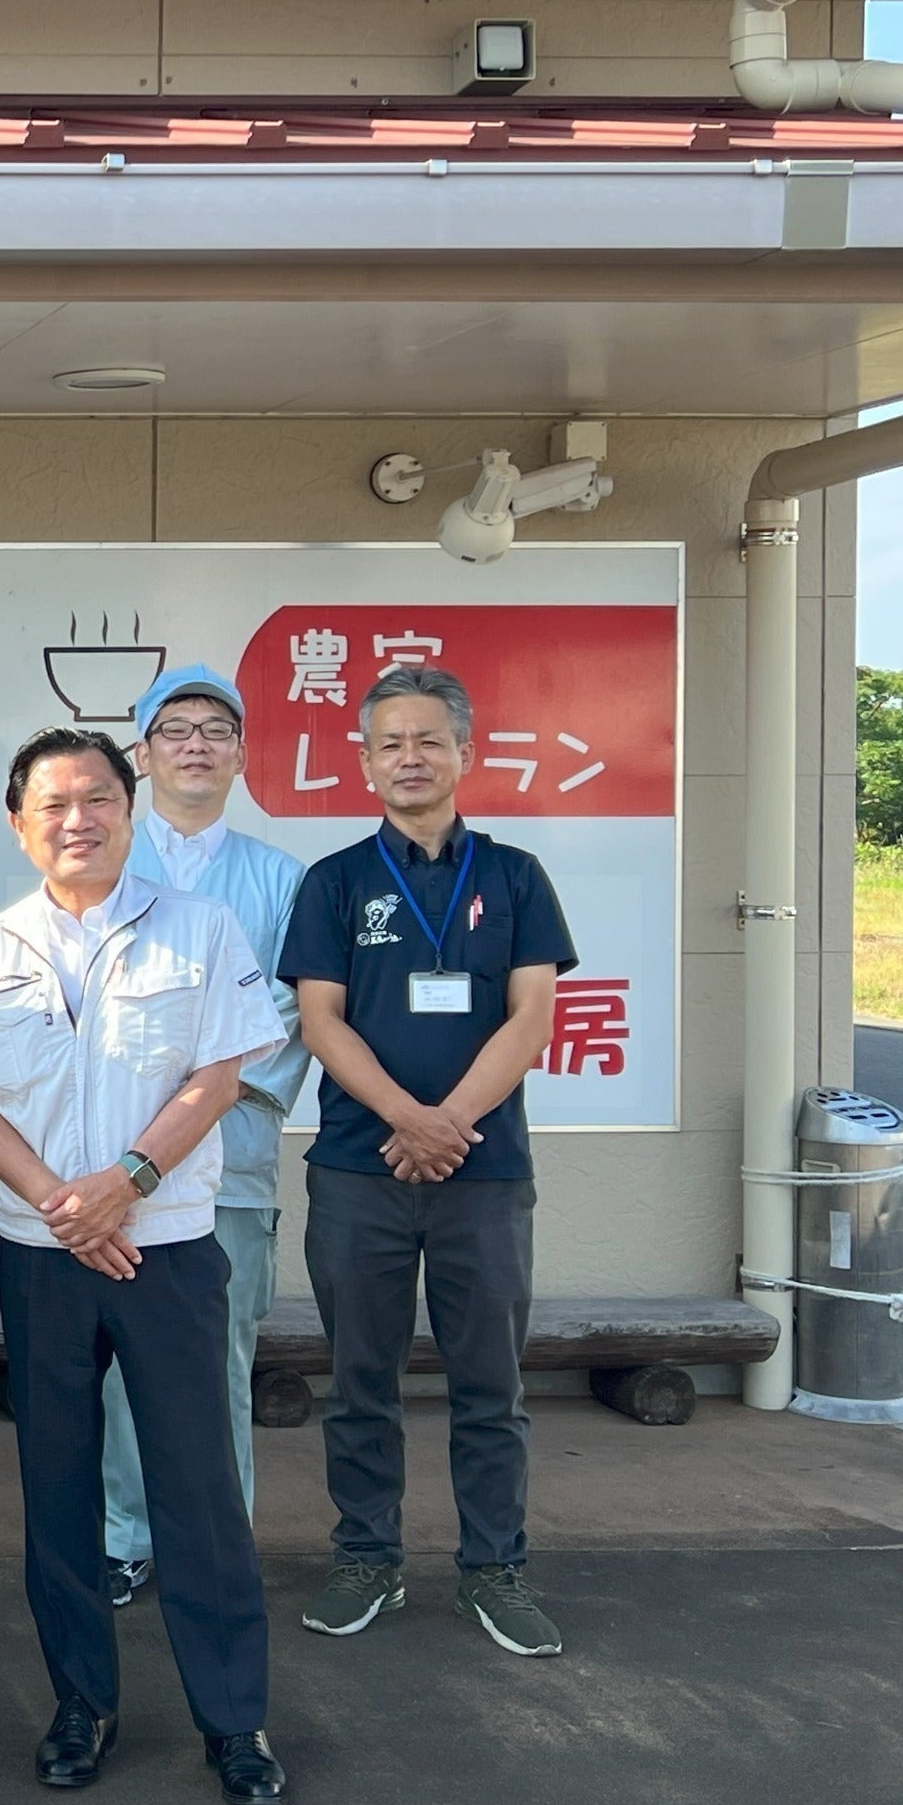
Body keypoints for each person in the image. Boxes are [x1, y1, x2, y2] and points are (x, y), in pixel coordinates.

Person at [0, 728, 288, 1805]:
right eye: (53, 805)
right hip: (43, 1257)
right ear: (19, 825)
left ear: (129, 808)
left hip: (168, 1249)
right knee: (57, 1487)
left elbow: (219, 1078)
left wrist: (126, 1182)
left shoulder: (199, 929)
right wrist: (64, 1208)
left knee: (197, 1489)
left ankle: (235, 1720)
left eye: (97, 800)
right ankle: (82, 1703)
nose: (77, 821)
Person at [279, 664, 575, 1659]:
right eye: (389, 743)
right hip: (358, 1171)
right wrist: (408, 1119)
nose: (409, 758)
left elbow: (531, 1018)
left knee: (491, 1387)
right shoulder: (334, 882)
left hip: (483, 1176)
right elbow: (321, 1021)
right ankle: (367, 1559)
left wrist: (448, 1124)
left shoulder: (516, 876)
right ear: (365, 762)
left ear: (464, 753)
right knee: (360, 1383)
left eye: (427, 741)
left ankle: (495, 1571)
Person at [98, 668, 309, 1611]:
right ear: (141, 756)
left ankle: (218, 1541)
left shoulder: (280, 879)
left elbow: (291, 1009)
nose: (195, 744)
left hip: (233, 1153)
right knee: (121, 1357)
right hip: (117, 1156)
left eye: (215, 730)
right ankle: (126, 1534)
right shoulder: (101, 862)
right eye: (174, 729)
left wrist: (198, 1085)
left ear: (241, 755)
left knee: (221, 1354)